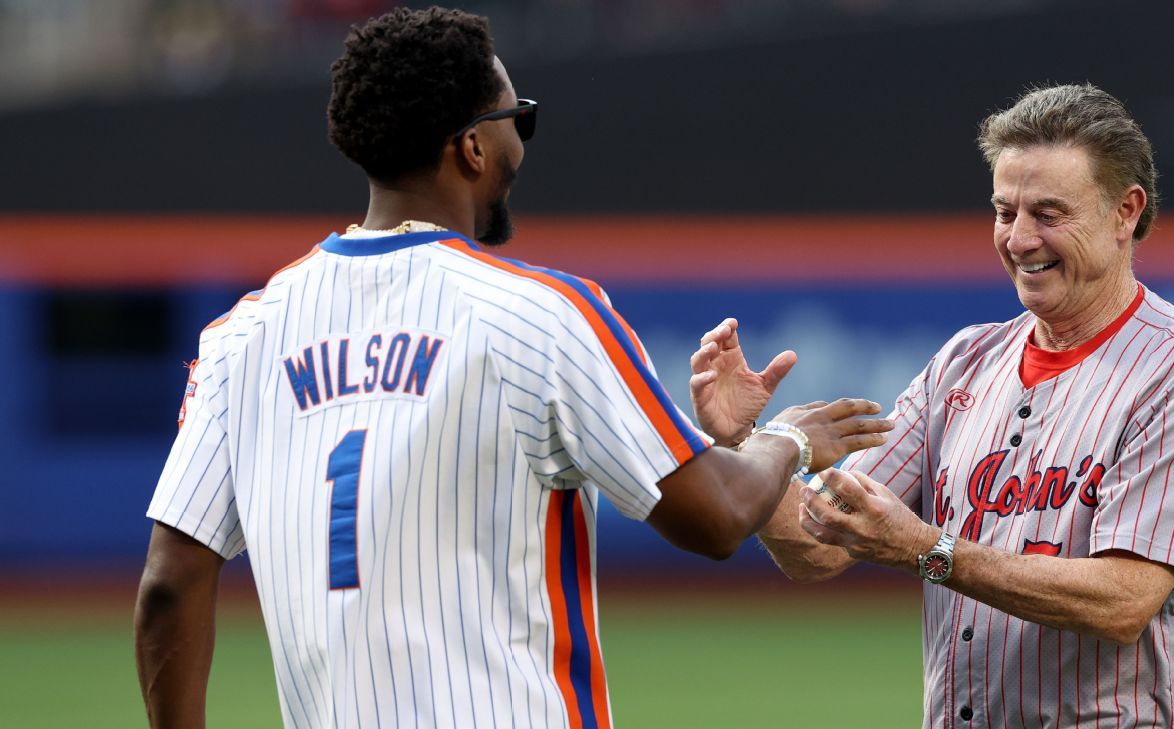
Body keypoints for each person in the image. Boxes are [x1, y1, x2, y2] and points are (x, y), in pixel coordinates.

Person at [131, 6, 894, 729]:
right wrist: (783, 440)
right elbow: (718, 519)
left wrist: (719, 446)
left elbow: (169, 584)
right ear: (470, 147)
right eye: (515, 120)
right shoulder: (541, 311)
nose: (519, 146)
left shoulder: (242, 334)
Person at [690, 84, 1174, 728]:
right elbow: (820, 546)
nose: (1019, 239)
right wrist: (740, 442)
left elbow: (1123, 602)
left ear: (1125, 212)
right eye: (1004, 211)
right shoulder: (964, 361)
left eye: (1048, 213)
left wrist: (929, 549)